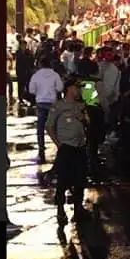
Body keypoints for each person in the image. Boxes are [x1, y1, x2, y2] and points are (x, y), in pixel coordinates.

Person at [46, 78, 89, 227]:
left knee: (80, 179)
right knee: (63, 180)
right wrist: (59, 144)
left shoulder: (81, 106)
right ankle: (60, 210)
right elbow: (49, 126)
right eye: (77, 88)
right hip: (66, 148)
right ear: (70, 89)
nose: (79, 91)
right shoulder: (58, 106)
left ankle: (78, 209)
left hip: (80, 147)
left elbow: (88, 123)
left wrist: (84, 119)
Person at [28, 56, 63, 164]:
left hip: (40, 102)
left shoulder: (36, 76)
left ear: (40, 64)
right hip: (52, 103)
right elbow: (60, 88)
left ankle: (41, 148)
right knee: (55, 126)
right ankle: (60, 146)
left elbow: (31, 90)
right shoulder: (55, 75)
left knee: (40, 127)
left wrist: (39, 92)